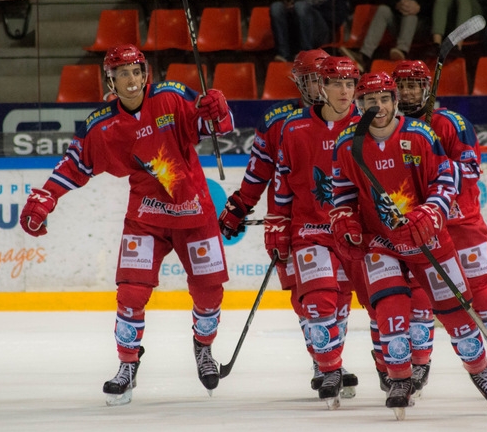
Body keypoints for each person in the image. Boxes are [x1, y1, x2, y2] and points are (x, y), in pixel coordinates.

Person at [20, 44, 234, 406]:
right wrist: (46, 197)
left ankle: (204, 348)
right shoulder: (103, 125)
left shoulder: (172, 98)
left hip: (194, 210)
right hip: (146, 216)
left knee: (210, 291)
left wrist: (218, 109)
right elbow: (74, 165)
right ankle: (127, 364)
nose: (132, 80)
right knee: (131, 294)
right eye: (123, 74)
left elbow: (216, 127)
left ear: (145, 72)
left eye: (136, 72)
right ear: (111, 80)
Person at [331, 71, 487, 414]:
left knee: (456, 312)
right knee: (389, 308)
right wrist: (345, 221)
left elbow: (445, 181)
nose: (378, 106)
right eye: (370, 101)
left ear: (395, 102)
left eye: (384, 99)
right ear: (360, 106)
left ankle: (480, 371)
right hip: (381, 241)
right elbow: (342, 193)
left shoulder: (419, 136)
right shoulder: (347, 144)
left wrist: (429, 214)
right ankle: (399, 377)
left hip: (428, 238)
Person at [218, 49, 360, 397]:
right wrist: (238, 206)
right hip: (297, 225)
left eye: (320, 78)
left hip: (345, 227)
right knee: (306, 296)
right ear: (300, 82)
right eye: (310, 79)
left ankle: (328, 356)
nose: (316, 86)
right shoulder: (278, 121)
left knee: (339, 298)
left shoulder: (358, 117)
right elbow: (259, 173)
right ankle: (323, 359)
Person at [391, 59, 487, 398]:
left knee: (483, 293)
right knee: (420, 298)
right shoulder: (391, 128)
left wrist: (433, 159)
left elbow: (469, 170)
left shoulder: (451, 123)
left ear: (427, 88)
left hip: (461, 223)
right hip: (420, 229)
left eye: (414, 85)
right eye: (403, 86)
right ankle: (420, 363)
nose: (408, 92)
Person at [267, 56, 370, 410]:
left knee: (340, 305)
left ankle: (330, 361)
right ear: (321, 87)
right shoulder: (293, 128)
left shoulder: (368, 126)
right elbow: (282, 181)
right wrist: (276, 223)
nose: (344, 91)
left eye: (350, 84)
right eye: (337, 83)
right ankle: (328, 368)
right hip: (309, 229)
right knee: (318, 302)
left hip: (352, 233)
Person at [340, 0, 441, 72]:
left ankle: (401, 51)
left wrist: (419, 8)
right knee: (384, 9)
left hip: (422, 26)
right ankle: (364, 56)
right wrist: (399, 4)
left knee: (410, 16)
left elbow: (438, 6)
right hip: (398, 24)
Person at [269, 0, 350, 63]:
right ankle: (283, 54)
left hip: (322, 32)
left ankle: (306, 54)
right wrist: (290, 9)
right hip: (300, 31)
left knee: (301, 6)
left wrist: (313, 9)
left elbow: (338, 19)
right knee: (276, 7)